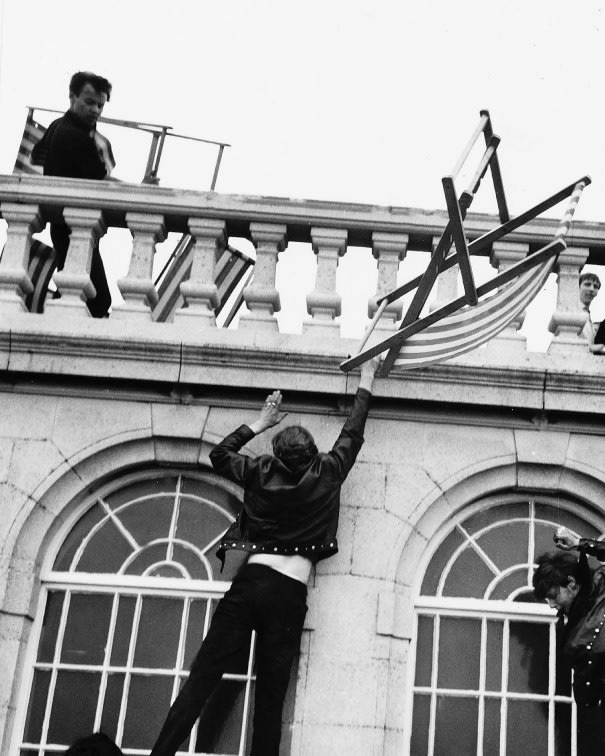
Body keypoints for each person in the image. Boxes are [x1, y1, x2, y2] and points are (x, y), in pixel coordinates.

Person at [149, 358, 380, 756]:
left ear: (276, 454)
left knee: (201, 681)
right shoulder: (328, 470)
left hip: (250, 587)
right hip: (288, 594)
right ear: (312, 453)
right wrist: (367, 379)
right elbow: (352, 433)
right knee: (270, 702)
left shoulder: (259, 471)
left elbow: (220, 454)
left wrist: (261, 422)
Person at [31, 71, 114, 318]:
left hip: (67, 224)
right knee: (96, 298)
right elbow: (102, 183)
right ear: (72, 96)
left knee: (75, 288)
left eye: (100, 105)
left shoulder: (58, 126)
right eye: (89, 103)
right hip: (73, 224)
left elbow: (36, 156)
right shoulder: (74, 135)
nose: (96, 110)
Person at [534, 527, 605, 749]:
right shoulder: (568, 624)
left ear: (571, 584)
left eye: (553, 596)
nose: (552, 604)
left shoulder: (602, 583)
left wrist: (580, 543)